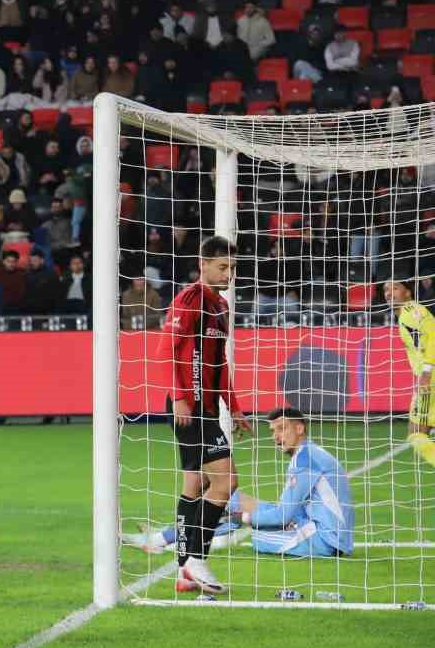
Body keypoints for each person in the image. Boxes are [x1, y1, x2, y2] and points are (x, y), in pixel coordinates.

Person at [127, 408, 353, 559]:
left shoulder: (305, 459)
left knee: (257, 537)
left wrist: (242, 518)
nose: (276, 436)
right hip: (312, 524)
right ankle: (167, 538)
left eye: (282, 428)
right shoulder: (310, 453)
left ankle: (170, 542)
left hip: (325, 540)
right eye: (273, 431)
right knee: (232, 499)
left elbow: (281, 517)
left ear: (300, 428)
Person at [163, 235, 252, 594]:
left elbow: (219, 364)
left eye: (232, 268)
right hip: (191, 408)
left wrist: (236, 406)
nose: (228, 274)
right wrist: (181, 398)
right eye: (222, 267)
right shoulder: (189, 299)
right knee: (226, 482)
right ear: (203, 265)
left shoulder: (221, 307)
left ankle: (184, 569)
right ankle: (196, 560)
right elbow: (165, 349)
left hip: (208, 409)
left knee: (196, 484)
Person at [384, 279, 435, 472]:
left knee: (416, 434)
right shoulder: (408, 313)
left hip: (430, 379)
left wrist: (427, 372)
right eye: (386, 289)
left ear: (408, 292)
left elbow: (434, 334)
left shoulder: (410, 312)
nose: (389, 292)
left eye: (395, 288)